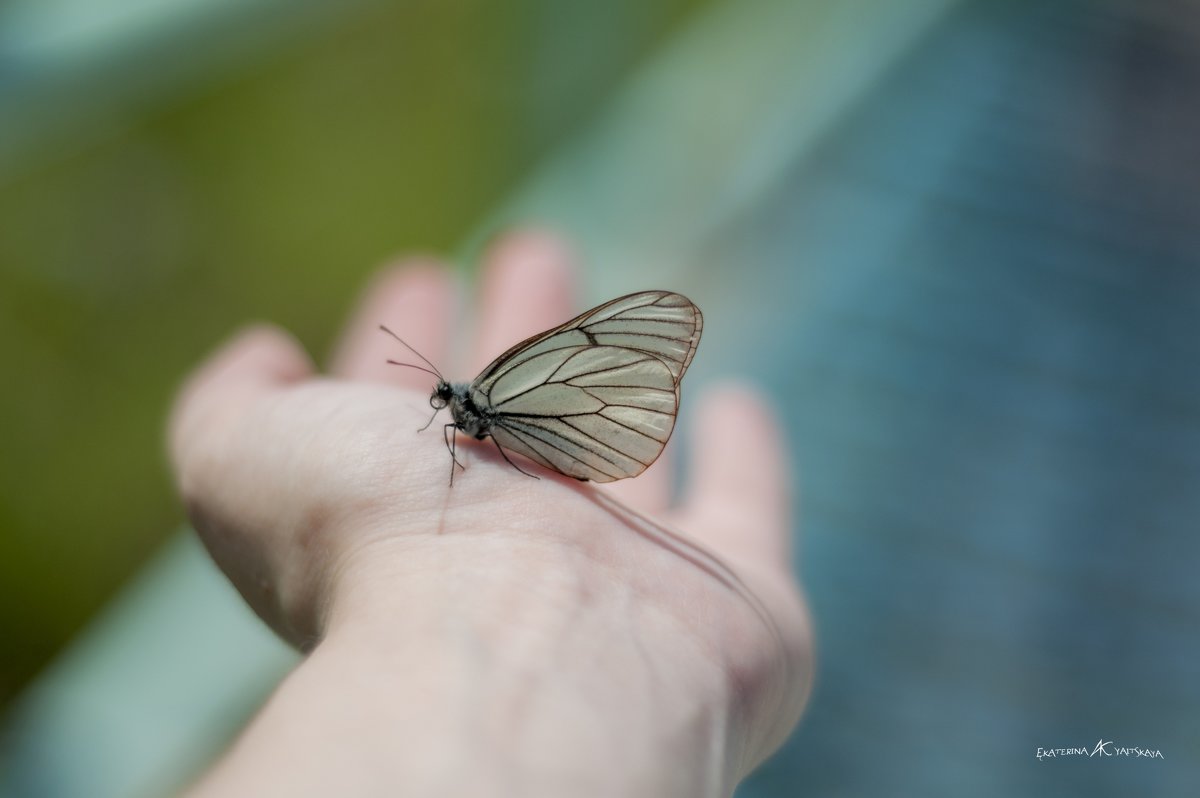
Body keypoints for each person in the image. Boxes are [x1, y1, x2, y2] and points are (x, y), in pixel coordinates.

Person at [168, 230, 814, 797]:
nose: (445, 401)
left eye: (446, 395)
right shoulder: (462, 412)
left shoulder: (484, 400)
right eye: (446, 397)